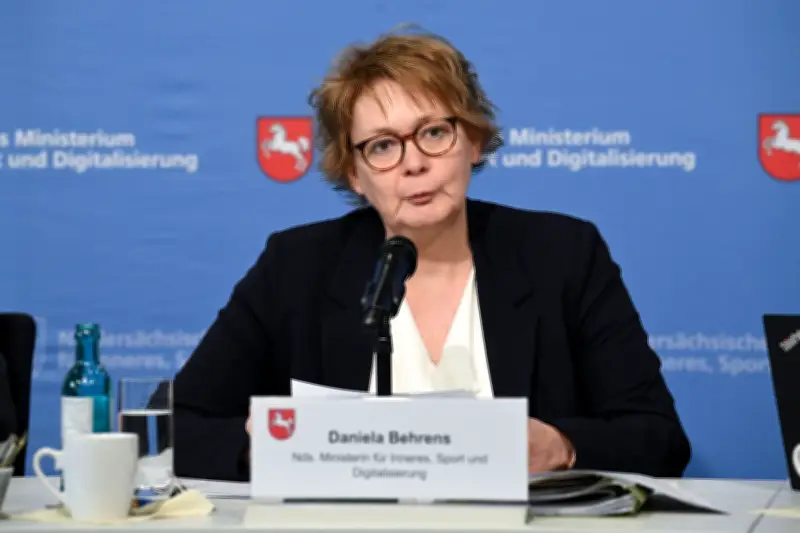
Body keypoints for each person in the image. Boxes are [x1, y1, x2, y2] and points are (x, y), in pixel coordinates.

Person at [172, 29, 691, 482]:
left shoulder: (561, 254)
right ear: (354, 174)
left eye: (434, 133)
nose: (414, 163)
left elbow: (659, 438)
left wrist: (562, 447)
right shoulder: (297, 266)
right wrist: (270, 447)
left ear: (473, 142)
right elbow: (177, 424)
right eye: (382, 146)